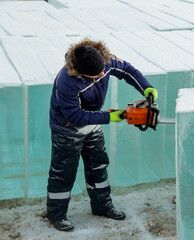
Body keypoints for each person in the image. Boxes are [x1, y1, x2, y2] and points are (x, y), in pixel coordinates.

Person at [46, 37, 158, 231]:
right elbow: (74, 116)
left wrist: (146, 87)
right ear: (81, 72)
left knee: (98, 165)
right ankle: (56, 215)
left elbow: (127, 70)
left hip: (93, 122)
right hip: (67, 128)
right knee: (63, 172)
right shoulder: (67, 81)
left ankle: (102, 206)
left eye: (101, 74)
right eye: (94, 77)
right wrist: (109, 117)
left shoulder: (105, 60)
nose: (100, 77)